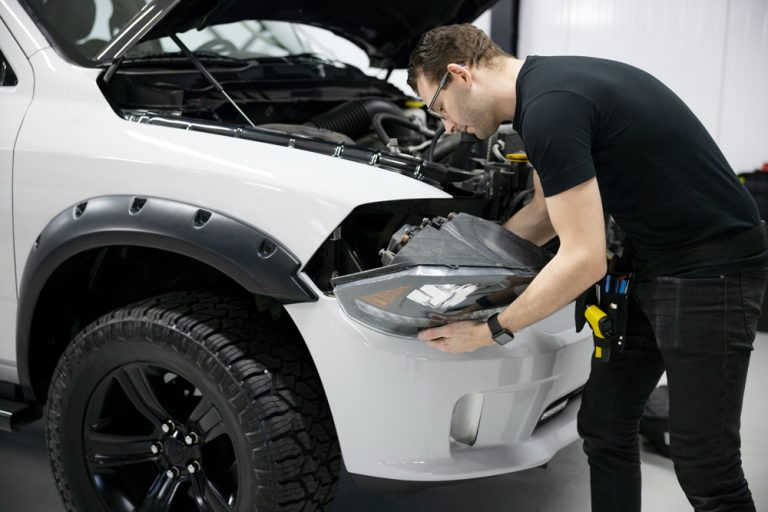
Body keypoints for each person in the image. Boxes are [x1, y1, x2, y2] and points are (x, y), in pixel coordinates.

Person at [409, 24, 768, 512]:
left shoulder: (550, 109)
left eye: (438, 108)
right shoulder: (542, 93)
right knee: (605, 427)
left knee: (707, 466)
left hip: (711, 268)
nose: (446, 127)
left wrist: (489, 329)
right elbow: (543, 215)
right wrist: (463, 259)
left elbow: (584, 259)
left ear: (460, 75)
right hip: (652, 258)